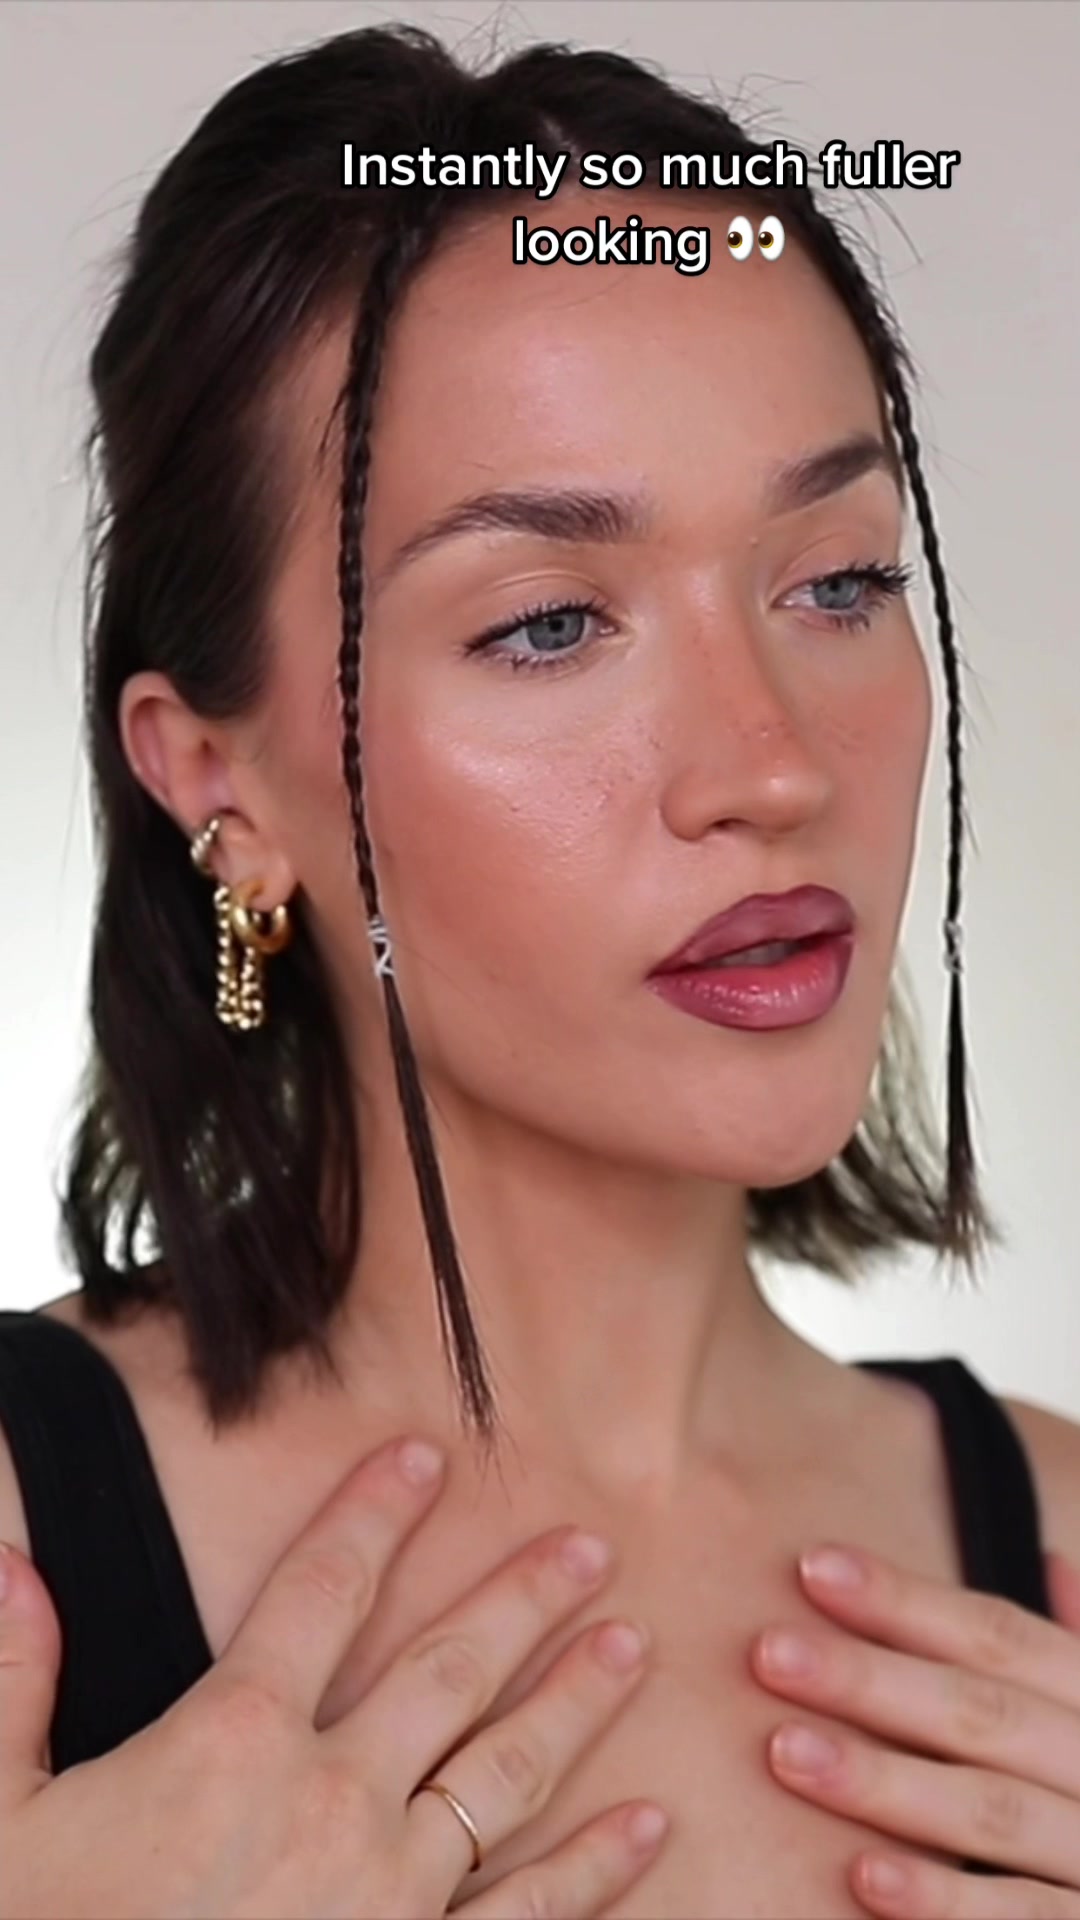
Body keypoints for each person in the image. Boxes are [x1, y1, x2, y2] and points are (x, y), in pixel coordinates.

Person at [2, 21, 1079, 1919]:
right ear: (218, 784)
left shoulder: (1062, 1547)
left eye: (838, 581)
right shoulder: (23, 1544)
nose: (771, 766)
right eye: (551, 623)